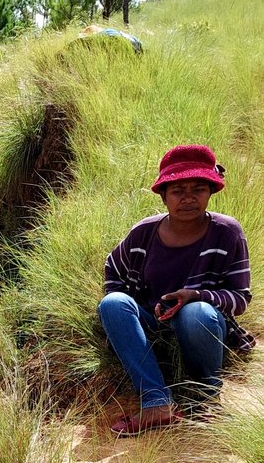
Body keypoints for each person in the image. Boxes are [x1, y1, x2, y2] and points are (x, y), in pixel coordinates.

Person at [99, 145, 252, 436]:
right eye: (178, 190)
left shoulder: (228, 232)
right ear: (164, 195)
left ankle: (206, 395)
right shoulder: (144, 233)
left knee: (196, 312)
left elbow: (240, 298)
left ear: (211, 191)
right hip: (151, 322)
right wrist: (129, 318)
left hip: (201, 326)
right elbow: (114, 270)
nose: (189, 198)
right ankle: (156, 401)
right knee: (113, 303)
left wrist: (196, 296)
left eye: (198, 188)